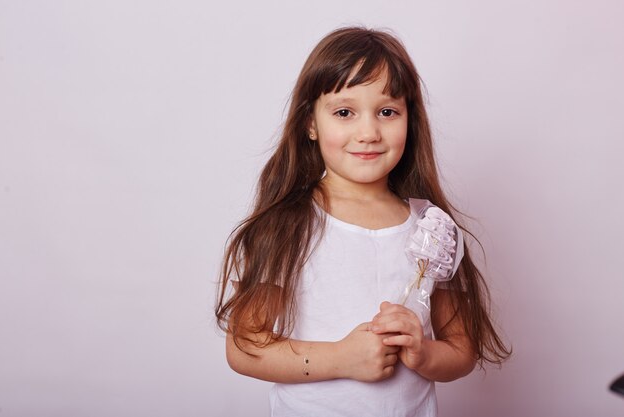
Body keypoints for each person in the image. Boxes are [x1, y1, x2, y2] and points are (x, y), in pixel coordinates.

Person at [215, 26, 510, 417]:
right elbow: (245, 348)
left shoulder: (431, 228)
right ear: (310, 123)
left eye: (387, 112)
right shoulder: (288, 225)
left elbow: (461, 351)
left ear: (410, 119)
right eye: (344, 112)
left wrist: (421, 353)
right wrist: (340, 358)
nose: (368, 132)